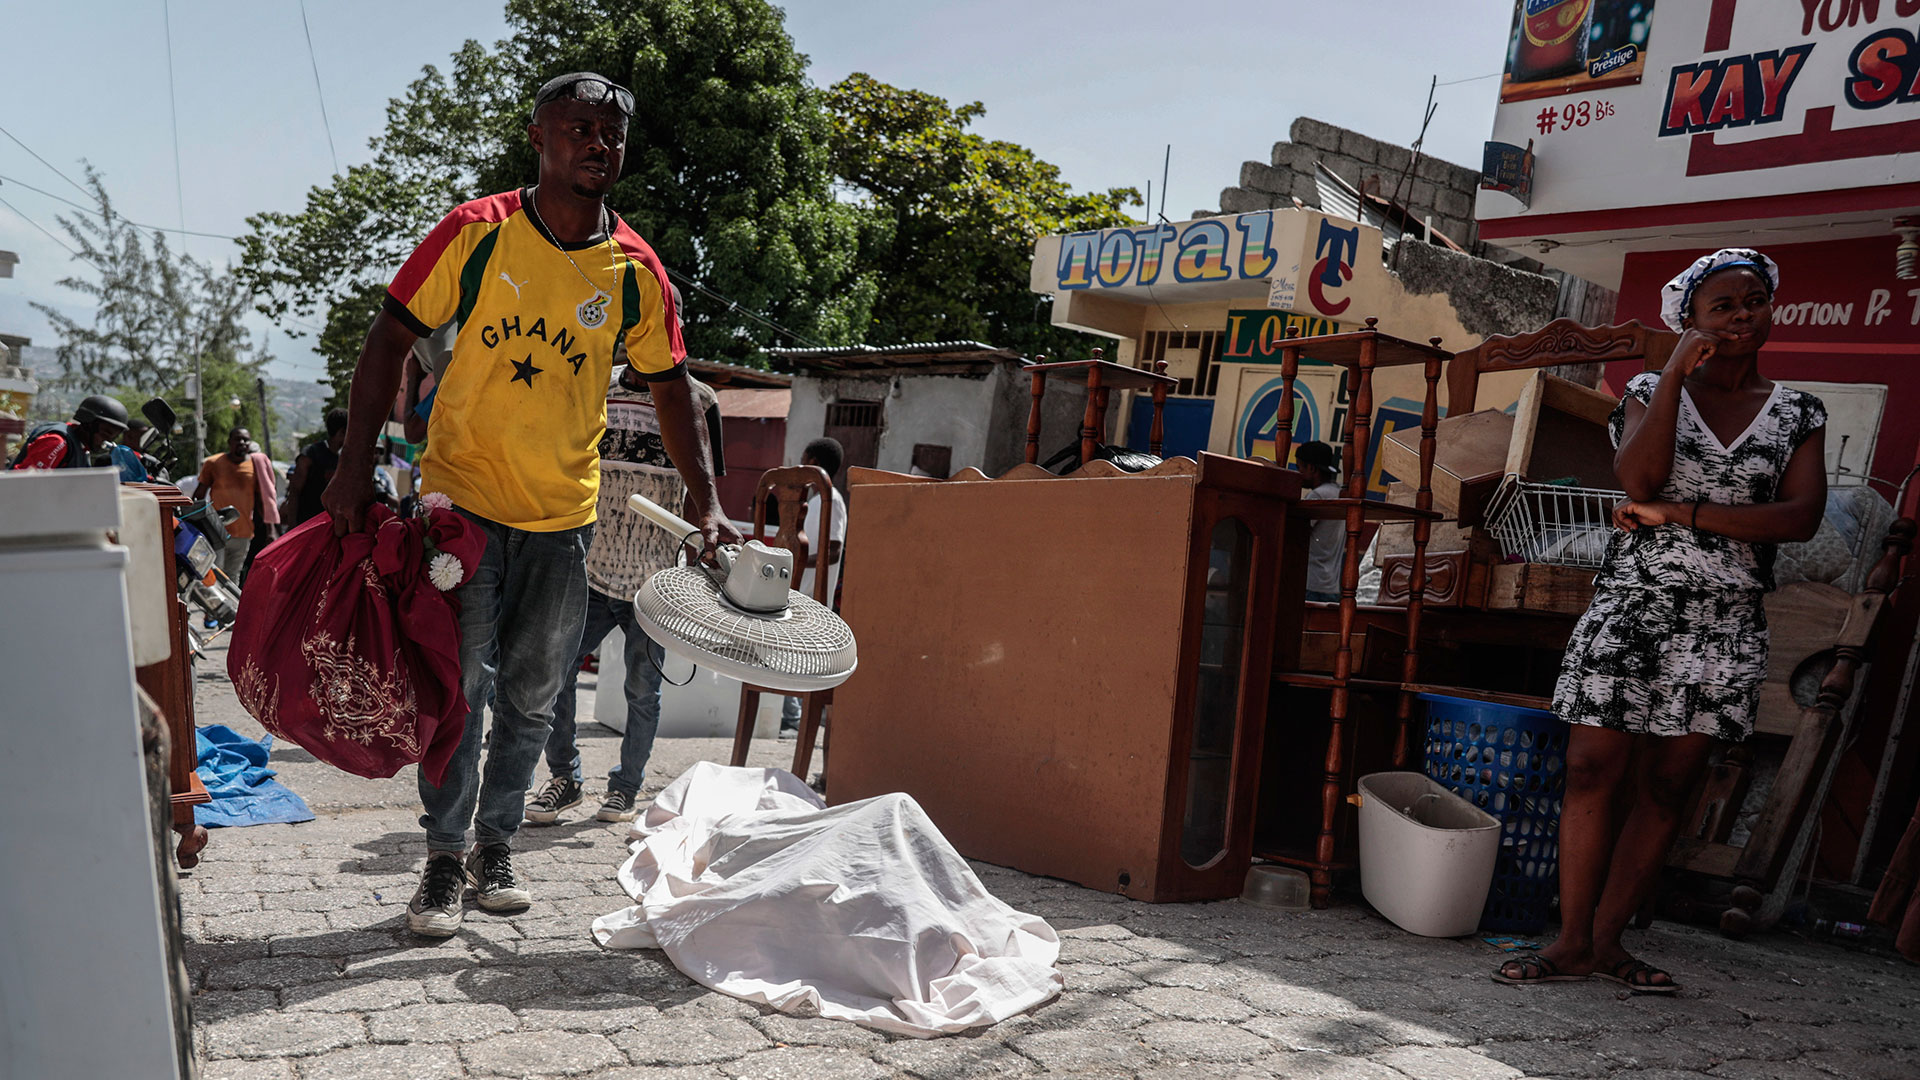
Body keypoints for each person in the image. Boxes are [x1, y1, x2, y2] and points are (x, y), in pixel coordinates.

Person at [322, 70, 739, 938]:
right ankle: (441, 858)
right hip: (460, 510)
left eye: (612, 133)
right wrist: (354, 466)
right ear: (538, 137)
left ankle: (494, 846)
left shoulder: (635, 268)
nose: (598, 144)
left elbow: (669, 385)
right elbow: (390, 335)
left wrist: (707, 502)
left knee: (532, 697)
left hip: (562, 523)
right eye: (579, 128)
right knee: (457, 691)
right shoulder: (475, 233)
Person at [1494, 249, 1826, 994]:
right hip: (1633, 604)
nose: (1743, 315)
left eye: (1754, 301)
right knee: (1590, 767)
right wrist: (1675, 372)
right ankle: (1571, 939)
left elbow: (1799, 518)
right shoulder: (1646, 390)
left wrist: (1682, 514)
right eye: (1724, 306)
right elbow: (1638, 478)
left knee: (1672, 784)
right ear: (1692, 322)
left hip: (1725, 617)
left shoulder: (1799, 412)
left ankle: (1609, 943)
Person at [528, 369, 725, 824]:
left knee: (642, 691)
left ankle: (625, 789)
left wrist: (703, 556)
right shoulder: (596, 380)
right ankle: (565, 780)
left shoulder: (700, 400)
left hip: (654, 580)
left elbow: (708, 490)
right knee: (555, 675)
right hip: (589, 567)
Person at [780, 437, 847, 740]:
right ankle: (792, 716)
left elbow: (833, 551)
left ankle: (795, 719)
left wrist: (798, 562)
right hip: (799, 592)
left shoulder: (832, 500)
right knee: (786, 656)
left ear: (815, 463)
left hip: (813, 597)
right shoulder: (815, 501)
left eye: (803, 459)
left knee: (799, 660)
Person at [196, 428, 261, 588]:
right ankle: (212, 613)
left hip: (243, 533)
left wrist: (270, 528)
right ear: (229, 442)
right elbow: (199, 495)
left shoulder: (255, 466)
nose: (242, 443)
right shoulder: (213, 463)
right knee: (216, 574)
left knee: (233, 576)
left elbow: (261, 500)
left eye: (246, 440)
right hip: (218, 531)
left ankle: (232, 612)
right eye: (238, 439)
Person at [8, 394, 129, 471]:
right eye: (106, 433)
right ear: (88, 425)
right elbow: (23, 483)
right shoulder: (57, 442)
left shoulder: (81, 447)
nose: (107, 442)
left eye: (113, 437)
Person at [1293, 440, 1344, 602]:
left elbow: (1296, 532)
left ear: (1312, 468)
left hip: (1310, 584)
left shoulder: (1318, 496)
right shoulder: (1338, 493)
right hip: (1331, 587)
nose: (1298, 473)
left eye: (1299, 467)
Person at [282, 409, 348, 526]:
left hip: (329, 526)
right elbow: (295, 490)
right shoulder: (312, 453)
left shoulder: (345, 459)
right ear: (342, 432)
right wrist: (292, 527)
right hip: (306, 524)